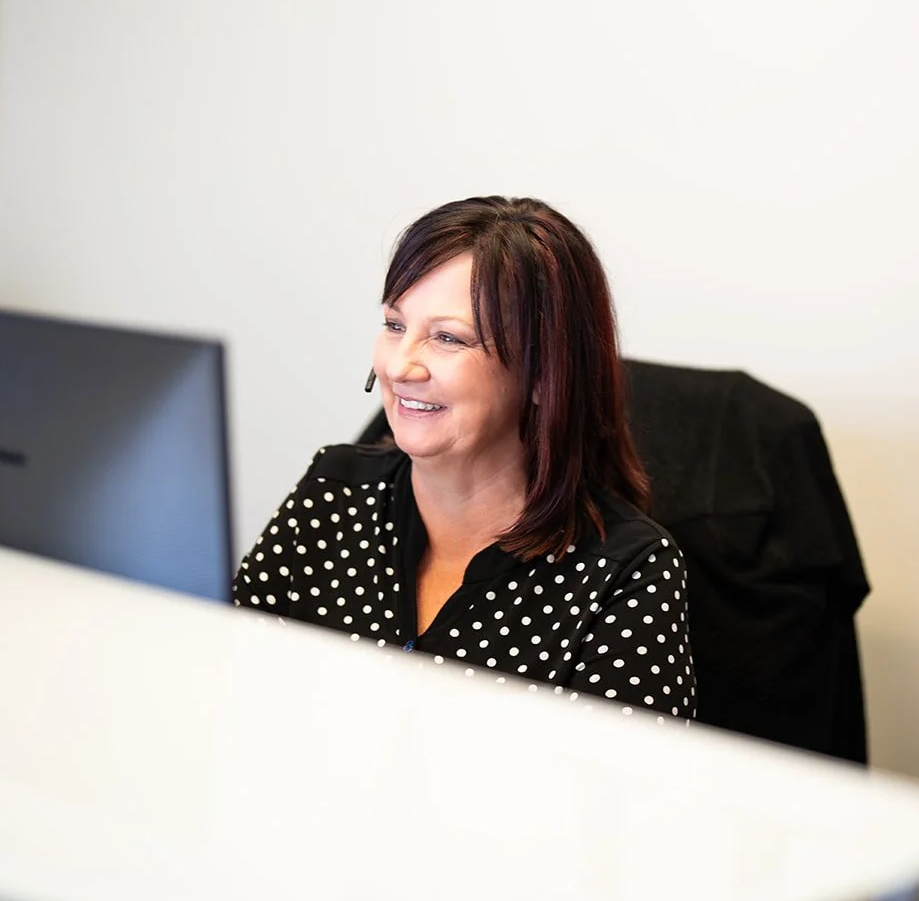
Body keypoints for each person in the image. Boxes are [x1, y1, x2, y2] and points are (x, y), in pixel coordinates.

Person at [234, 196, 696, 720]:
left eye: (447, 338)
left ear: (546, 375)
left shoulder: (627, 571)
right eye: (393, 325)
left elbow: (626, 791)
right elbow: (224, 677)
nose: (401, 366)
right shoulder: (335, 488)